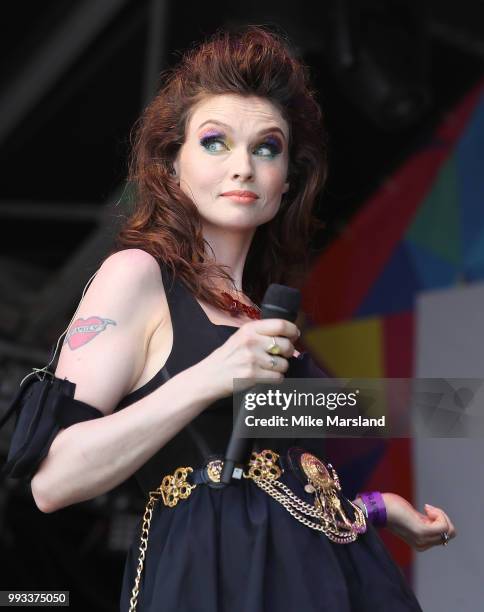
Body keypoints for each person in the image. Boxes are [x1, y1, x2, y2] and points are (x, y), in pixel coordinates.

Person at [30, 26, 456, 612]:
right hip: (214, 578)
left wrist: (374, 510)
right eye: (214, 142)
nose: (243, 167)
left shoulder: (266, 314)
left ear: (286, 182)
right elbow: (52, 482)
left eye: (266, 147)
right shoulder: (137, 275)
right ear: (171, 165)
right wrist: (210, 376)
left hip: (329, 575)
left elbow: (269, 490)